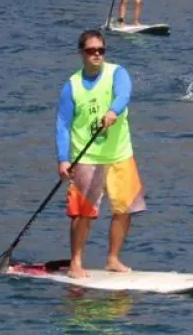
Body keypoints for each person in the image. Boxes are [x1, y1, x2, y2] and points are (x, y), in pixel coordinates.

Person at [55, 30, 145, 279]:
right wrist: (63, 159)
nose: (96, 55)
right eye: (91, 51)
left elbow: (124, 94)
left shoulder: (117, 73)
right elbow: (63, 125)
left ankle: (113, 259)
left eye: (100, 50)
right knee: (82, 213)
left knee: (124, 209)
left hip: (120, 154)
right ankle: (75, 263)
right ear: (81, 53)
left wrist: (113, 111)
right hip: (86, 157)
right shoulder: (71, 86)